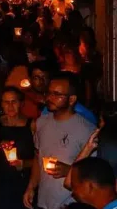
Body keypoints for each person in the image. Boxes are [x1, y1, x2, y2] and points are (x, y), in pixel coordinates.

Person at [23, 74, 95, 209]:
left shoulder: (86, 129)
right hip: (43, 202)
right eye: (49, 93)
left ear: (72, 99)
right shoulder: (42, 122)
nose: (49, 98)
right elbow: (38, 157)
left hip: (70, 203)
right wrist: (31, 186)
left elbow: (93, 173)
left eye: (57, 94)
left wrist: (69, 170)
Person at [0, 87, 35, 209]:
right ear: (1, 104)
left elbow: (40, 158)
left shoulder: (32, 125)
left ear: (21, 103)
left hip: (24, 180)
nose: (10, 106)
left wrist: (23, 164)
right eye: (6, 102)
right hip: (1, 181)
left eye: (14, 101)